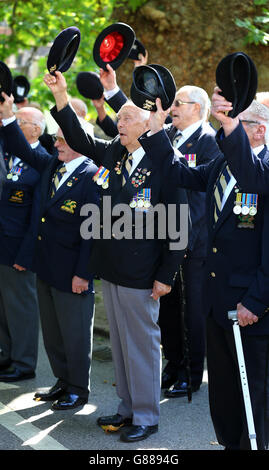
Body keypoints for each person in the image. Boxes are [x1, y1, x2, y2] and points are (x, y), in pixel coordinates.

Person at [43, 70, 188, 442]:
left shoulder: (165, 162)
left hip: (143, 272)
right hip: (113, 268)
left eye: (125, 118)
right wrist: (60, 95)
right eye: (119, 118)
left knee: (141, 346)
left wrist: (166, 276)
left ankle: (146, 416)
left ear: (148, 122)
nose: (118, 122)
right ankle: (127, 408)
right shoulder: (115, 153)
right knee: (123, 347)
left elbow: (178, 224)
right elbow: (77, 136)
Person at [155, 92, 269, 450]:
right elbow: (177, 171)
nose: (225, 129)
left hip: (251, 309)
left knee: (254, 398)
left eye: (236, 123)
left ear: (259, 131)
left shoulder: (265, 173)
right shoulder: (221, 165)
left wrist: (257, 300)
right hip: (217, 303)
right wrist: (157, 130)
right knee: (223, 391)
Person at [98, 64, 220, 397]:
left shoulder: (209, 141)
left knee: (190, 310)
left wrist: (184, 239)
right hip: (168, 240)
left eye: (178, 103)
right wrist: (112, 92)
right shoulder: (170, 137)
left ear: (197, 108)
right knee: (168, 312)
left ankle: (191, 375)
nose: (171, 108)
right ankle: (174, 365)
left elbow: (193, 196)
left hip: (192, 242)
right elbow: (136, 121)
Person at [0, 92, 100, 409]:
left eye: (61, 139)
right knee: (54, 334)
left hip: (73, 271)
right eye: (55, 138)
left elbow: (93, 233)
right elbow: (19, 146)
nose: (55, 144)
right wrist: (6, 115)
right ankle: (62, 381)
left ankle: (78, 390)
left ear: (80, 142)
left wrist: (84, 274)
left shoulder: (94, 176)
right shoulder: (52, 166)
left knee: (74, 335)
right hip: (47, 267)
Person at [0, 105, 48, 381]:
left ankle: (24, 362)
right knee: (4, 308)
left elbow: (38, 214)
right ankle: (6, 354)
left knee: (21, 308)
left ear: (36, 129)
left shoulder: (41, 159)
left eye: (22, 121)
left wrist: (27, 253)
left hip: (19, 248)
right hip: (2, 245)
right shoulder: (8, 153)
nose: (16, 125)